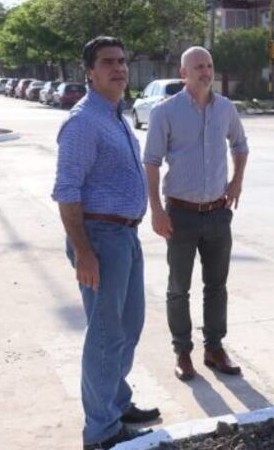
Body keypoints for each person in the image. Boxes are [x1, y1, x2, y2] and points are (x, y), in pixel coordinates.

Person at [52, 36, 159, 450]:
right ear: (89, 73)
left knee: (128, 327)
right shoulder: (82, 122)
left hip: (125, 235)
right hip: (100, 238)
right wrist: (83, 251)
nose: (118, 68)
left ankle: (116, 401)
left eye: (122, 61)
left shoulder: (116, 116)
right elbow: (67, 191)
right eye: (108, 62)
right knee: (105, 334)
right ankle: (101, 431)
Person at [143, 46, 249, 381]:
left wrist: (236, 183)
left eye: (209, 66)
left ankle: (214, 348)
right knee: (178, 287)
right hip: (181, 215)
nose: (206, 72)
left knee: (216, 286)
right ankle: (183, 351)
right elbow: (152, 163)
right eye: (198, 67)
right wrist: (157, 209)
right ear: (183, 72)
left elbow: (241, 146)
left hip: (218, 213)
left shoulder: (226, 109)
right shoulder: (165, 113)